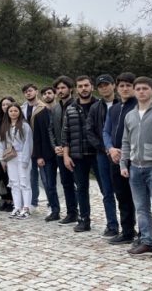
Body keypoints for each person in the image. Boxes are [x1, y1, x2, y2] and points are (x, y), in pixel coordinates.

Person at [121, 77, 152, 261]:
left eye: (145, 88)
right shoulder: (130, 115)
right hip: (135, 168)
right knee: (141, 208)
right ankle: (147, 241)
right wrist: (124, 164)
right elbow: (125, 141)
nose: (141, 91)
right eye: (138, 88)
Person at [103, 72, 139, 245]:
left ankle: (143, 232)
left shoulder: (138, 107)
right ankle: (127, 231)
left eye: (128, 86)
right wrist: (110, 149)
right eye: (122, 86)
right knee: (122, 196)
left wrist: (126, 152)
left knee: (138, 198)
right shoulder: (114, 108)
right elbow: (106, 131)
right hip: (115, 159)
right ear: (117, 88)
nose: (125, 89)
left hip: (134, 159)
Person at [85, 74, 121, 238]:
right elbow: (90, 131)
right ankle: (112, 224)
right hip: (102, 153)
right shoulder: (95, 108)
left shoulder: (123, 104)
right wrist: (104, 148)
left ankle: (129, 225)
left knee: (124, 191)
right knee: (107, 191)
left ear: (114, 85)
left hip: (122, 153)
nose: (104, 88)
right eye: (101, 86)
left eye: (107, 84)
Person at [62, 75, 99, 232]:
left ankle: (114, 224)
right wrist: (66, 155)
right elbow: (66, 134)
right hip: (78, 155)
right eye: (80, 86)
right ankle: (84, 220)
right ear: (76, 89)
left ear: (92, 87)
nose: (83, 89)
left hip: (98, 154)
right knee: (81, 188)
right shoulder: (70, 109)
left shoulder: (100, 106)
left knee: (107, 190)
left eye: (86, 85)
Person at [48, 76, 78, 225]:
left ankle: (84, 215)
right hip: (59, 152)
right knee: (66, 183)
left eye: (63, 88)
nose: (60, 91)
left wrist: (68, 149)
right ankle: (71, 213)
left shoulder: (77, 105)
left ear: (70, 89)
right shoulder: (55, 108)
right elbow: (51, 130)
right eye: (58, 88)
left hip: (75, 152)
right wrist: (56, 146)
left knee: (80, 184)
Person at [0, 103, 34, 219]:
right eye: (11, 111)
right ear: (7, 113)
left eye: (15, 111)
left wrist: (25, 160)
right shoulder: (5, 126)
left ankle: (26, 208)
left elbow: (28, 143)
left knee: (24, 182)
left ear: (19, 112)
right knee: (14, 183)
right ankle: (17, 207)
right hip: (10, 157)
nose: (13, 113)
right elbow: (1, 144)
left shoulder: (24, 126)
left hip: (22, 155)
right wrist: (2, 160)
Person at [33, 87, 61, 221]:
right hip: (46, 154)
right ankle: (55, 210)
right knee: (49, 185)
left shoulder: (63, 110)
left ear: (54, 94)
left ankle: (74, 210)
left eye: (49, 93)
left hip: (63, 152)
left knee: (70, 184)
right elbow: (36, 138)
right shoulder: (39, 115)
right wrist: (38, 156)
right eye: (45, 94)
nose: (47, 95)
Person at [21, 84, 46, 211]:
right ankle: (33, 203)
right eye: (26, 92)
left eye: (30, 91)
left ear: (36, 91)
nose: (28, 93)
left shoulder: (43, 107)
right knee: (32, 177)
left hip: (41, 146)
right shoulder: (22, 108)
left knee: (45, 178)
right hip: (28, 146)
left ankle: (51, 205)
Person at [0, 97, 15, 212]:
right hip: (0, 152)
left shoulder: (14, 118)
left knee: (10, 178)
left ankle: (13, 201)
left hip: (12, 153)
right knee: (1, 177)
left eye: (8, 104)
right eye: (3, 104)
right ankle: (5, 200)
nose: (5, 106)